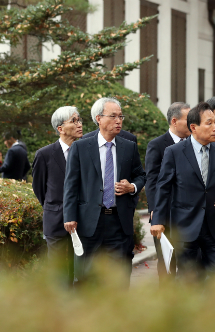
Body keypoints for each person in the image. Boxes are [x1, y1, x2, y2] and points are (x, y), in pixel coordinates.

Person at [150, 102, 215, 281]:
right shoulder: (173, 152)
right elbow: (163, 187)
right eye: (210, 123)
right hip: (185, 228)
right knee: (189, 281)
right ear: (194, 127)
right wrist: (158, 220)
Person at [63, 97, 145, 287]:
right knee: (85, 278)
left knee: (119, 278)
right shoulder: (81, 147)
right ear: (98, 118)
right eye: (113, 116)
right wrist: (70, 216)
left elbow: (141, 176)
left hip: (119, 221)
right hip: (89, 222)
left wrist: (131, 187)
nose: (119, 121)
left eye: (121, 116)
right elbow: (71, 185)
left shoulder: (129, 146)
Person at [32, 106, 83, 287]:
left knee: (83, 273)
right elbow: (39, 189)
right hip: (55, 222)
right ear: (60, 128)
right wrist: (55, 208)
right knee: (59, 275)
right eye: (74, 121)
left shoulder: (85, 151)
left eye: (80, 120)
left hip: (84, 220)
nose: (80, 124)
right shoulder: (44, 154)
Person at [145, 102, 191, 280]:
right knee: (167, 262)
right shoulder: (157, 145)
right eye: (188, 119)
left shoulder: (193, 144)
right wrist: (155, 210)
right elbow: (152, 180)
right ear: (174, 121)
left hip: (189, 214)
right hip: (165, 213)